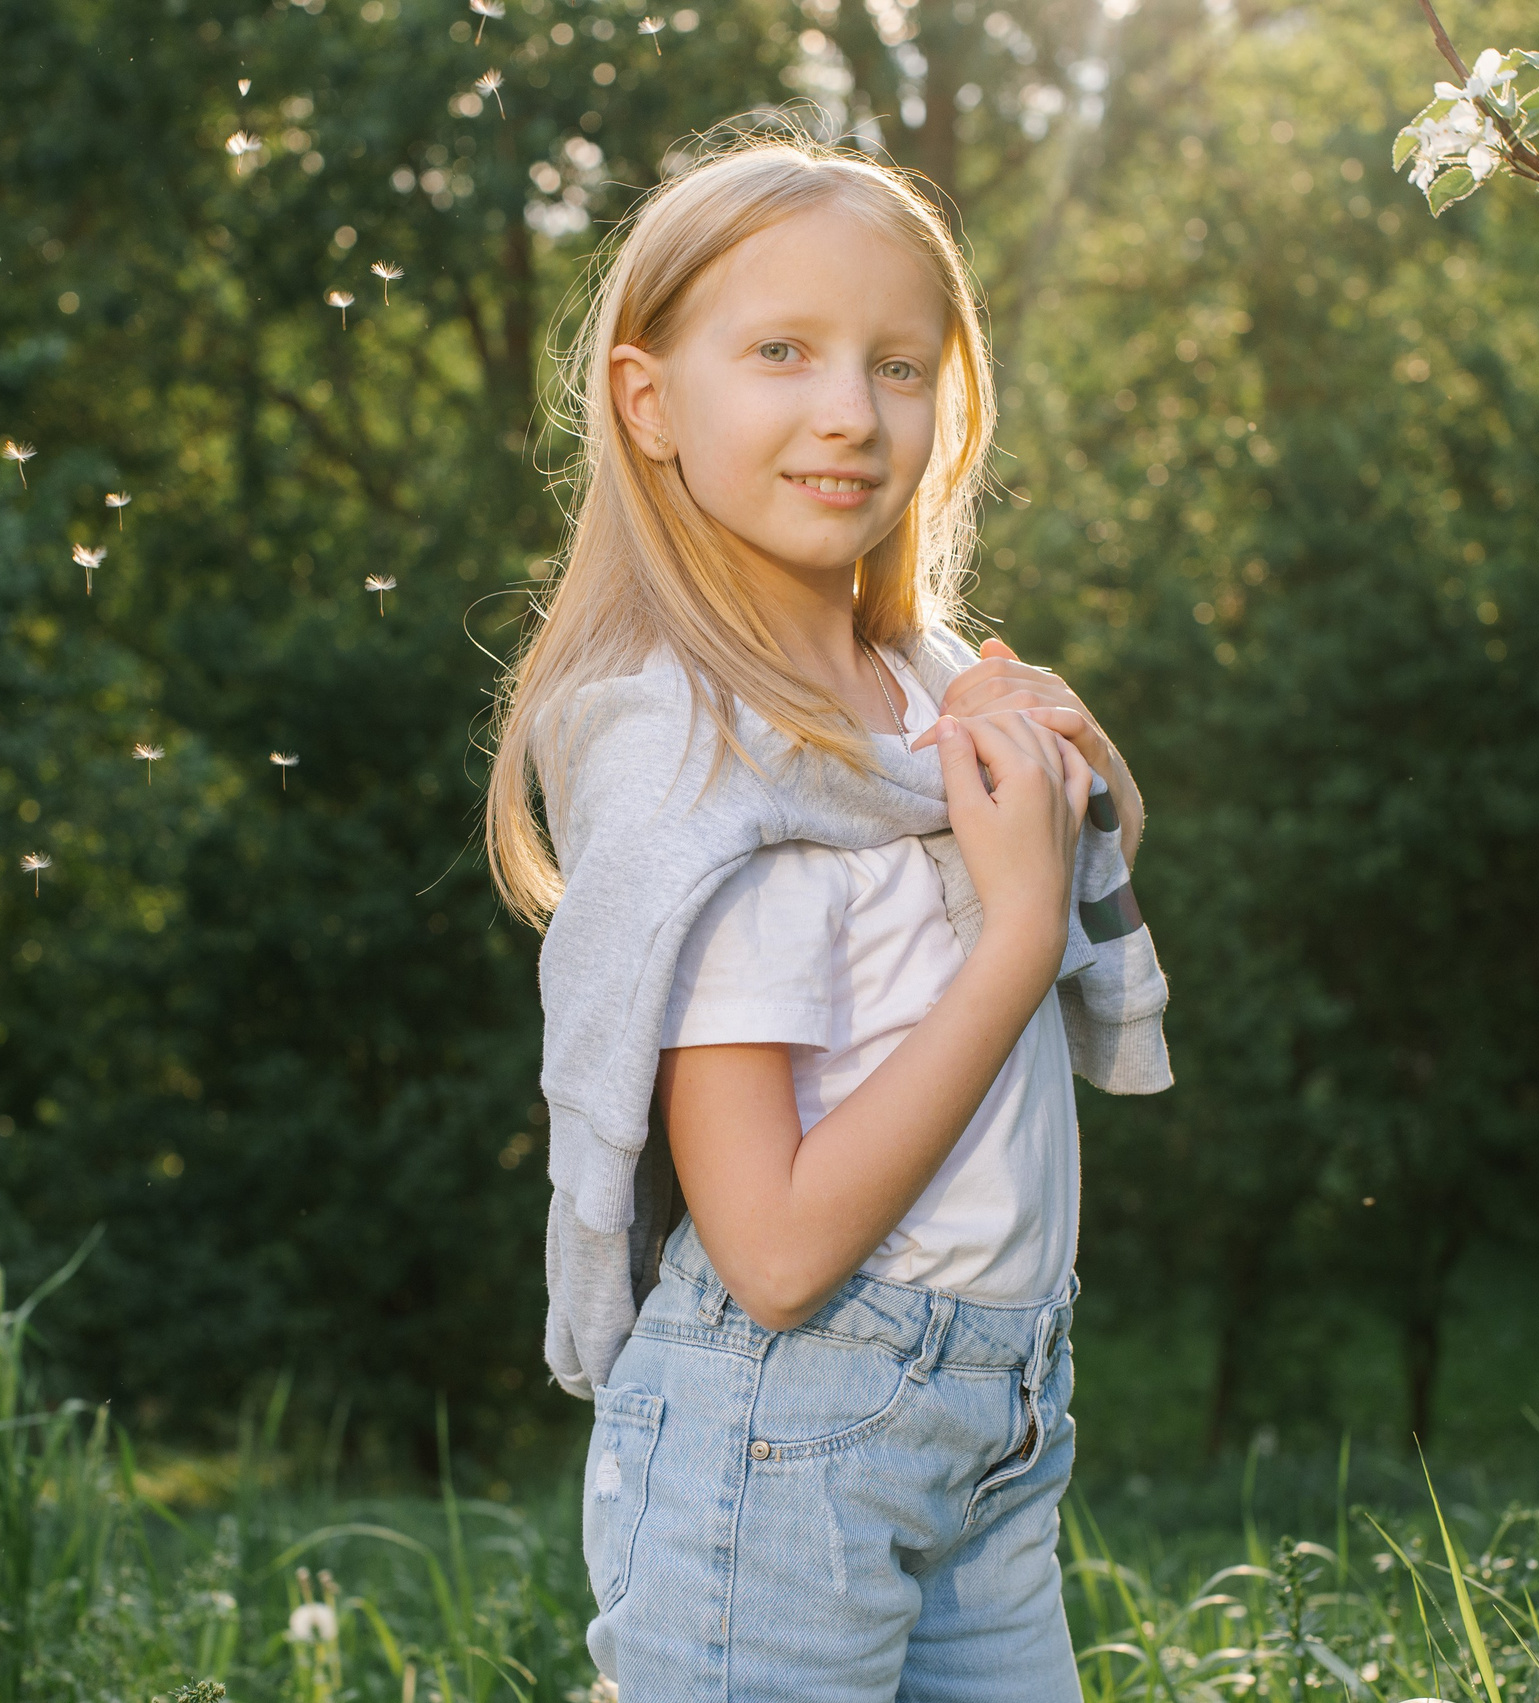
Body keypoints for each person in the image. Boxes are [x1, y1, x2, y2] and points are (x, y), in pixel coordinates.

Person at [484, 122, 1174, 1701]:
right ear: (649, 401)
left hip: (999, 1418)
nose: (850, 414)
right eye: (782, 352)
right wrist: (1012, 935)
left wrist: (1055, 772)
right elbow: (779, 1250)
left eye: (901, 365)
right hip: (784, 1436)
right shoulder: (691, 753)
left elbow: (1031, 882)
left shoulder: (923, 693)